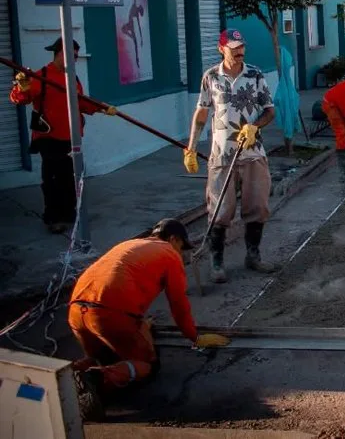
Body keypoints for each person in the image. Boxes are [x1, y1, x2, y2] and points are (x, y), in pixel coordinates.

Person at [68, 218, 229, 420]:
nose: (182, 253)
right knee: (147, 365)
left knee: (104, 356)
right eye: (181, 247)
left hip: (76, 311)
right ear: (173, 239)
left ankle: (66, 376)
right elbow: (178, 304)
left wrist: (138, 323)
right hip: (108, 314)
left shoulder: (130, 244)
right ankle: (96, 378)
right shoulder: (169, 254)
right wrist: (194, 337)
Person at [182, 29, 277, 283]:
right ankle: (217, 263)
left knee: (258, 207)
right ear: (221, 48)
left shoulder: (255, 75)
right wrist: (191, 147)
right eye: (233, 47)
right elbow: (202, 113)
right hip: (222, 155)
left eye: (241, 47)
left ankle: (253, 255)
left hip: (253, 153)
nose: (239, 51)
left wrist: (255, 126)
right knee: (219, 211)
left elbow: (270, 111)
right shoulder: (211, 77)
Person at [9, 37, 116, 233]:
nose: (74, 60)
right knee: (52, 179)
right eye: (71, 56)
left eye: (76, 56)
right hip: (49, 137)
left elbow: (80, 102)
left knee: (69, 178)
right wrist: (22, 86)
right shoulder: (41, 76)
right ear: (59, 54)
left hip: (71, 137)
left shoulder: (72, 78)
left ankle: (68, 213)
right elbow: (21, 99)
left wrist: (101, 107)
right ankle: (53, 217)